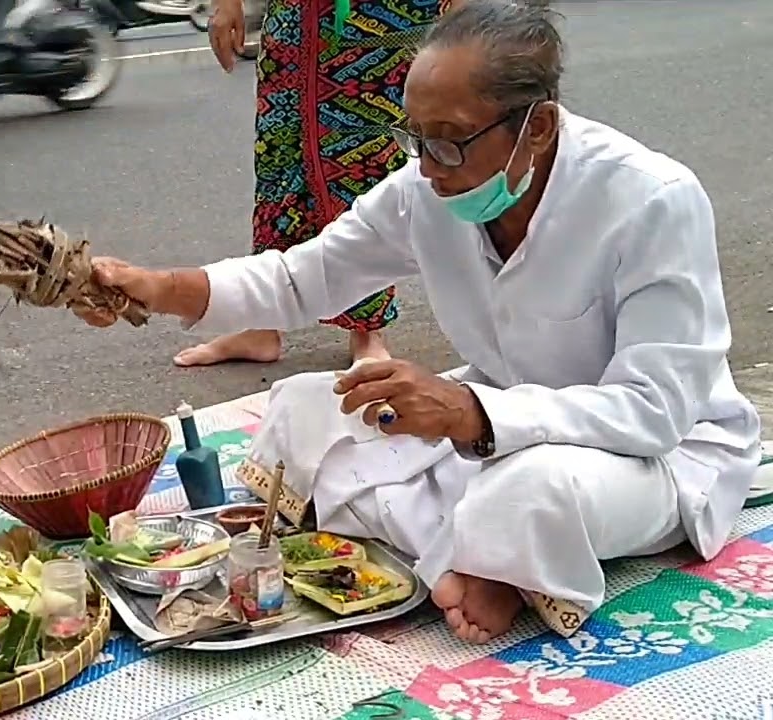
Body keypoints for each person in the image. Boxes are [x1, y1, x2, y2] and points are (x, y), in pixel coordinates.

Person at [76, 0, 762, 643]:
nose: (429, 168)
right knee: (308, 407)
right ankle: (474, 554)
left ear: (539, 127)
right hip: (499, 415)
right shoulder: (427, 186)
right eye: (417, 137)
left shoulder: (651, 200)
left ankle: (495, 555)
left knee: (535, 489)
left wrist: (473, 414)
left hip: (655, 453)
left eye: (452, 141)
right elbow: (301, 278)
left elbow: (653, 412)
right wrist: (157, 288)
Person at [179, 0, 459, 367]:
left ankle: (367, 329)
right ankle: (262, 324)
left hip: (386, 15)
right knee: (280, 157)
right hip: (296, 13)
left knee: (363, 158)